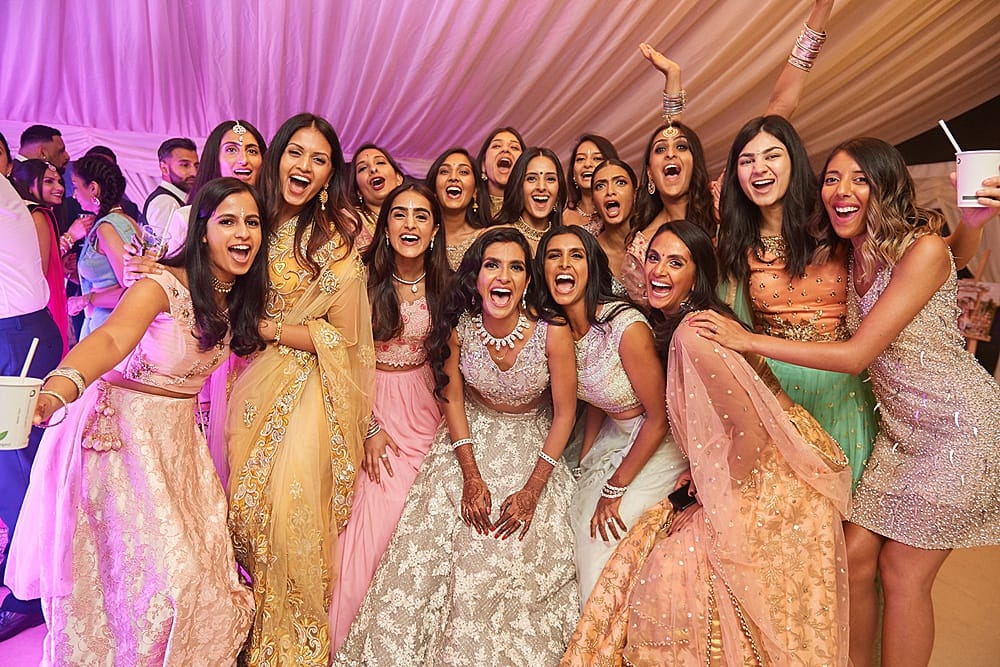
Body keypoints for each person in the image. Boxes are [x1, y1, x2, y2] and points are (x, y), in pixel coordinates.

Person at [692, 138, 1000, 667]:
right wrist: (970, 226)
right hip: (901, 437)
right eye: (832, 179)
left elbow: (857, 354)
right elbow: (958, 251)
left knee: (902, 572)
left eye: (860, 179)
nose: (842, 190)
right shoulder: (855, 250)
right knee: (854, 558)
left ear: (887, 187)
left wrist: (748, 340)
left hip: (957, 432)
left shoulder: (921, 250)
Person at [564, 220, 852, 665]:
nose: (659, 270)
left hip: (777, 472)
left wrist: (707, 499)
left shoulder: (693, 334)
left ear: (697, 275)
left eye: (675, 262)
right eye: (654, 258)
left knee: (673, 570)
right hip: (766, 453)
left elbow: (751, 433)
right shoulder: (683, 323)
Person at [6, 177, 268, 664]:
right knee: (150, 580)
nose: (243, 233)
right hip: (120, 440)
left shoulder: (239, 298)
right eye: (228, 221)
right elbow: (109, 340)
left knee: (203, 578)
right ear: (202, 231)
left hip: (178, 447)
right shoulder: (160, 285)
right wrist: (57, 391)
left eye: (252, 222)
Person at [335, 227, 579, 666]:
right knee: (442, 547)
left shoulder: (552, 331)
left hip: (534, 447)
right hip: (469, 439)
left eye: (515, 267)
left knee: (508, 553)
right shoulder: (460, 327)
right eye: (492, 265)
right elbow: (451, 398)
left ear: (527, 281)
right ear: (477, 276)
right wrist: (470, 473)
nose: (503, 276)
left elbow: (564, 414)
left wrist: (532, 490)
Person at [225, 113, 375, 665]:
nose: (305, 166)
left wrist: (270, 329)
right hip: (238, 382)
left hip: (305, 390)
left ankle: (289, 650)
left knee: (288, 522)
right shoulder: (248, 218)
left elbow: (346, 336)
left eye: (319, 159)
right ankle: (242, 637)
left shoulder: (333, 243)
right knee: (238, 516)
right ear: (277, 157)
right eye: (296, 152)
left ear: (330, 174)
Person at [715, 115, 878, 484]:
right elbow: (734, 331)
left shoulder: (834, 224)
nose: (759, 168)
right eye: (746, 160)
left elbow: (924, 263)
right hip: (776, 391)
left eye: (772, 156)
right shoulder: (735, 243)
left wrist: (971, 224)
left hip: (842, 383)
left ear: (795, 162)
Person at [535, 225, 687, 605]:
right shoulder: (559, 330)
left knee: (601, 539)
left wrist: (614, 487)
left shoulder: (624, 326)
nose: (564, 264)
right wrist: (586, 459)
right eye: (554, 256)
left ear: (591, 268)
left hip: (659, 440)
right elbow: (595, 401)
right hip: (615, 434)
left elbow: (660, 417)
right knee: (573, 521)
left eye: (576, 255)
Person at [328, 180, 449, 651]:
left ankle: (407, 639)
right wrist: (368, 425)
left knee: (419, 516)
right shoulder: (360, 279)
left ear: (434, 230)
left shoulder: (447, 285)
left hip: (424, 406)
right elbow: (338, 357)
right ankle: (350, 640)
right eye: (400, 214)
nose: (410, 224)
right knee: (371, 518)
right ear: (385, 225)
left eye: (421, 215)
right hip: (366, 400)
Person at [0, 160, 62, 643]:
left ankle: (32, 591)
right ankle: (23, 564)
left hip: (16, 337)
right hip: (18, 332)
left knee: (16, 464)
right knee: (12, 465)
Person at [11, 159, 91, 354]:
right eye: (49, 182)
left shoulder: (22, 213)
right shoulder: (38, 214)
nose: (59, 188)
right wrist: (69, 238)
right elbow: (39, 270)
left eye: (59, 182)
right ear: (28, 186)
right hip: (43, 303)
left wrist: (60, 267)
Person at [162, 119, 267, 256]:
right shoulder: (187, 218)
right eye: (231, 150)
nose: (244, 160)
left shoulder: (274, 216)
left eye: (252, 151)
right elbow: (169, 267)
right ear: (214, 159)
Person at [68, 155, 140, 338]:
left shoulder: (107, 228)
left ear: (93, 188)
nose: (74, 194)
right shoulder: (125, 220)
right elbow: (108, 277)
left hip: (110, 327)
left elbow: (132, 291)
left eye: (76, 186)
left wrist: (86, 299)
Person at [425, 147, 490, 270]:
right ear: (434, 189)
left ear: (475, 191)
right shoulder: (420, 235)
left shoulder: (486, 239)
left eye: (463, 172)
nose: (453, 177)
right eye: (445, 171)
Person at [492, 147, 566, 254]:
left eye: (550, 179)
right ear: (519, 187)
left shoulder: (567, 242)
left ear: (559, 190)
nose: (541, 187)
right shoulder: (497, 236)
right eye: (531, 178)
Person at [590, 158, 641, 298]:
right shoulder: (589, 253)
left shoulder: (653, 242)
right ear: (593, 201)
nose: (610, 191)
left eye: (620, 182)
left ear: (635, 194)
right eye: (600, 186)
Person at [349, 144, 405, 249]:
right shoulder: (348, 221)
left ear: (399, 178)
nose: (373, 169)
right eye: (363, 168)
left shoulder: (415, 218)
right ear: (358, 191)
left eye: (380, 162)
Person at [141, 137, 198, 238]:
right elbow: (168, 245)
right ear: (164, 168)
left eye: (196, 166)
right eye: (185, 165)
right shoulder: (165, 202)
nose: (194, 172)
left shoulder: (176, 199)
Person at [562, 134, 619, 236]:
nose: (587, 164)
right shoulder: (562, 218)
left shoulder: (621, 210)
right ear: (573, 172)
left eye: (597, 158)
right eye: (580, 159)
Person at [476, 127, 525, 218]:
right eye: (497, 146)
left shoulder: (533, 208)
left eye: (514, 147)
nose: (505, 149)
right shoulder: (467, 206)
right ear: (483, 165)